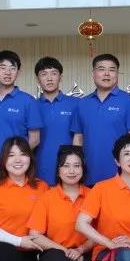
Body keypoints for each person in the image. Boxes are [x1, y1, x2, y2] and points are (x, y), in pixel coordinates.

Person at [27, 146, 94, 261]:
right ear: (58, 170)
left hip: (85, 252)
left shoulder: (93, 195)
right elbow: (34, 235)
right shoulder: (47, 197)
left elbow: (101, 232)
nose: (71, 171)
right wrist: (65, 250)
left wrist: (80, 250)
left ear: (83, 169)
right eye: (66, 166)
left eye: (76, 166)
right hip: (56, 251)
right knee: (55, 260)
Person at [72, 54, 130, 186]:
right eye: (101, 69)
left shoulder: (129, 101)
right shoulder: (82, 104)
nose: (106, 73)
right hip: (88, 176)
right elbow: (78, 139)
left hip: (121, 178)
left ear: (117, 74)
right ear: (93, 73)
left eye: (112, 70)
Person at [0, 50, 43, 186]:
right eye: (3, 68)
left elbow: (35, 139)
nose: (7, 72)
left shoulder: (28, 101)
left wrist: (16, 159)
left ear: (18, 72)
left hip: (18, 172)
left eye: (12, 68)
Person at [34, 57, 78, 186]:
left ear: (60, 77)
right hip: (38, 169)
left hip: (69, 170)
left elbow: (81, 138)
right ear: (37, 79)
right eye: (44, 74)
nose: (49, 78)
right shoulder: (31, 106)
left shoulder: (76, 104)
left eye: (54, 73)